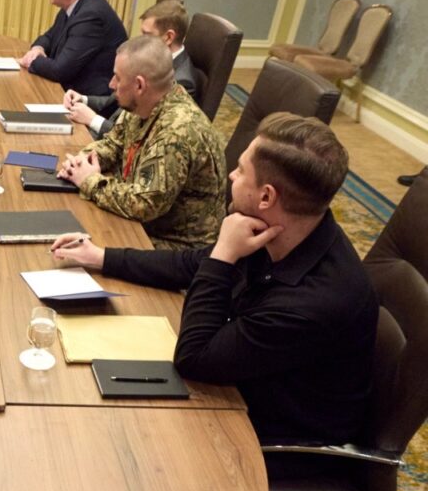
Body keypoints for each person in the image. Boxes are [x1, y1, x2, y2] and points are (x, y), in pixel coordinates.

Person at [51, 113, 377, 453]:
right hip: (244, 376)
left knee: (97, 433)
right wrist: (100, 256)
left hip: (275, 433)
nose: (231, 175)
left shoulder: (315, 303)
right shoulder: (289, 228)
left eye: (239, 170)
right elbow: (193, 264)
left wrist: (223, 254)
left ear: (266, 197)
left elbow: (194, 359)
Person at [57, 35, 225, 249]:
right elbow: (114, 144)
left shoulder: (177, 131)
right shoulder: (142, 104)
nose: (111, 84)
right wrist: (84, 160)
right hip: (144, 224)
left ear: (139, 85)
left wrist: (90, 181)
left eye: (117, 78)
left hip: (174, 247)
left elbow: (144, 205)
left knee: (77, 246)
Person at [65, 0, 201, 138]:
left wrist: (92, 119)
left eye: (147, 35)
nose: (139, 40)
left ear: (168, 37)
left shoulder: (181, 82)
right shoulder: (149, 60)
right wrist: (83, 99)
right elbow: (113, 100)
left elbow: (141, 137)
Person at [18, 0, 127, 95]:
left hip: (87, 101)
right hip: (68, 90)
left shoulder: (91, 14)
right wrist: (38, 48)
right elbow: (49, 37)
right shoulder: (73, 6)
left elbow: (60, 70)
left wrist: (31, 60)